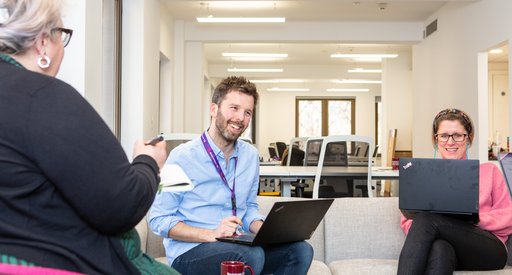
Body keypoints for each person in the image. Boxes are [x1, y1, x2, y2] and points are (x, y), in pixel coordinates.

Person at [0, 1, 178, 274]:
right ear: (43, 43)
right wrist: (148, 162)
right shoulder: (45, 96)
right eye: (62, 36)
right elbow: (121, 205)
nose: (62, 48)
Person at [148, 76, 314, 274]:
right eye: (234, 108)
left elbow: (249, 208)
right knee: (250, 256)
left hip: (237, 245)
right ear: (213, 109)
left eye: (247, 112)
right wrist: (211, 234)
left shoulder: (250, 156)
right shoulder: (182, 157)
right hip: (190, 252)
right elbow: (159, 219)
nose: (240, 118)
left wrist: (265, 230)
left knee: (300, 251)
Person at [397, 108, 512, 274]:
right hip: (448, 247)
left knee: (427, 219)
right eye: (444, 136)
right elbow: (408, 221)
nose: (450, 142)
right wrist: (443, 224)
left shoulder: (489, 171)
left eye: (458, 135)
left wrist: (472, 219)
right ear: (436, 140)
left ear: (468, 139)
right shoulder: (424, 176)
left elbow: (508, 217)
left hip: (488, 249)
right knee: (439, 249)